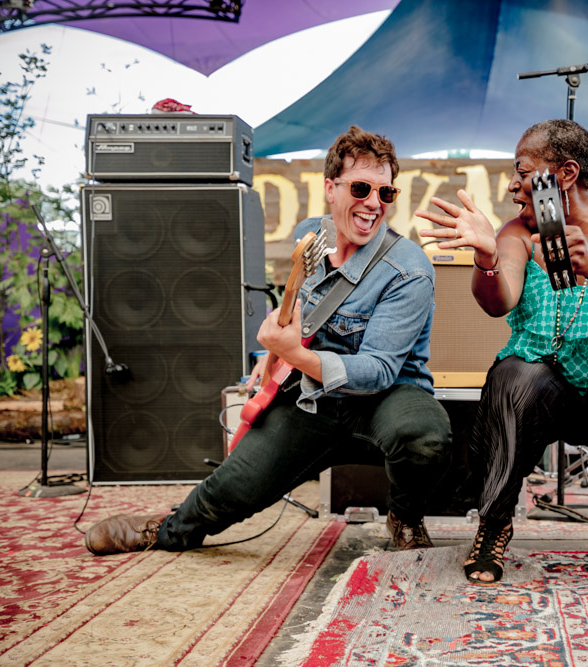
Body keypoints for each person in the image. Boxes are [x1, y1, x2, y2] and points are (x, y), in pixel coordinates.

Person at [84, 126, 451, 555]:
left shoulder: (409, 269)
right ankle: (170, 529)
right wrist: (272, 356)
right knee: (231, 489)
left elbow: (378, 371)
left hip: (387, 397)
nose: (373, 203)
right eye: (361, 188)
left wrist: (292, 352)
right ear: (331, 189)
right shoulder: (311, 234)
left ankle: (405, 518)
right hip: (313, 397)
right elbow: (298, 311)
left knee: (424, 435)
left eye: (385, 194)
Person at [415, 119, 588, 583]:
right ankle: (495, 524)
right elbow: (497, 301)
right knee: (512, 379)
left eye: (522, 171)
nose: (512, 185)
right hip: (546, 381)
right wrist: (486, 260)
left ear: (565, 173)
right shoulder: (518, 232)